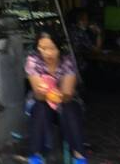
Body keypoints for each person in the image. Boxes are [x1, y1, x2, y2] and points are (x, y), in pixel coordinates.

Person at [26, 30, 87, 164]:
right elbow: (39, 95)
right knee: (41, 108)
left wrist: (59, 96)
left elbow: (67, 94)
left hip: (66, 100)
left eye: (52, 48)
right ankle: (35, 156)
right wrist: (42, 92)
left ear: (59, 48)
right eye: (42, 48)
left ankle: (79, 156)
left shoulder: (67, 60)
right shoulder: (33, 60)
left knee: (69, 109)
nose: (47, 53)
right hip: (40, 101)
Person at [67, 8, 103, 76]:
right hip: (78, 67)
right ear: (80, 21)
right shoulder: (80, 33)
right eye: (86, 19)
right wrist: (99, 33)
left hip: (67, 65)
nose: (87, 22)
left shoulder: (68, 29)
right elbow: (97, 50)